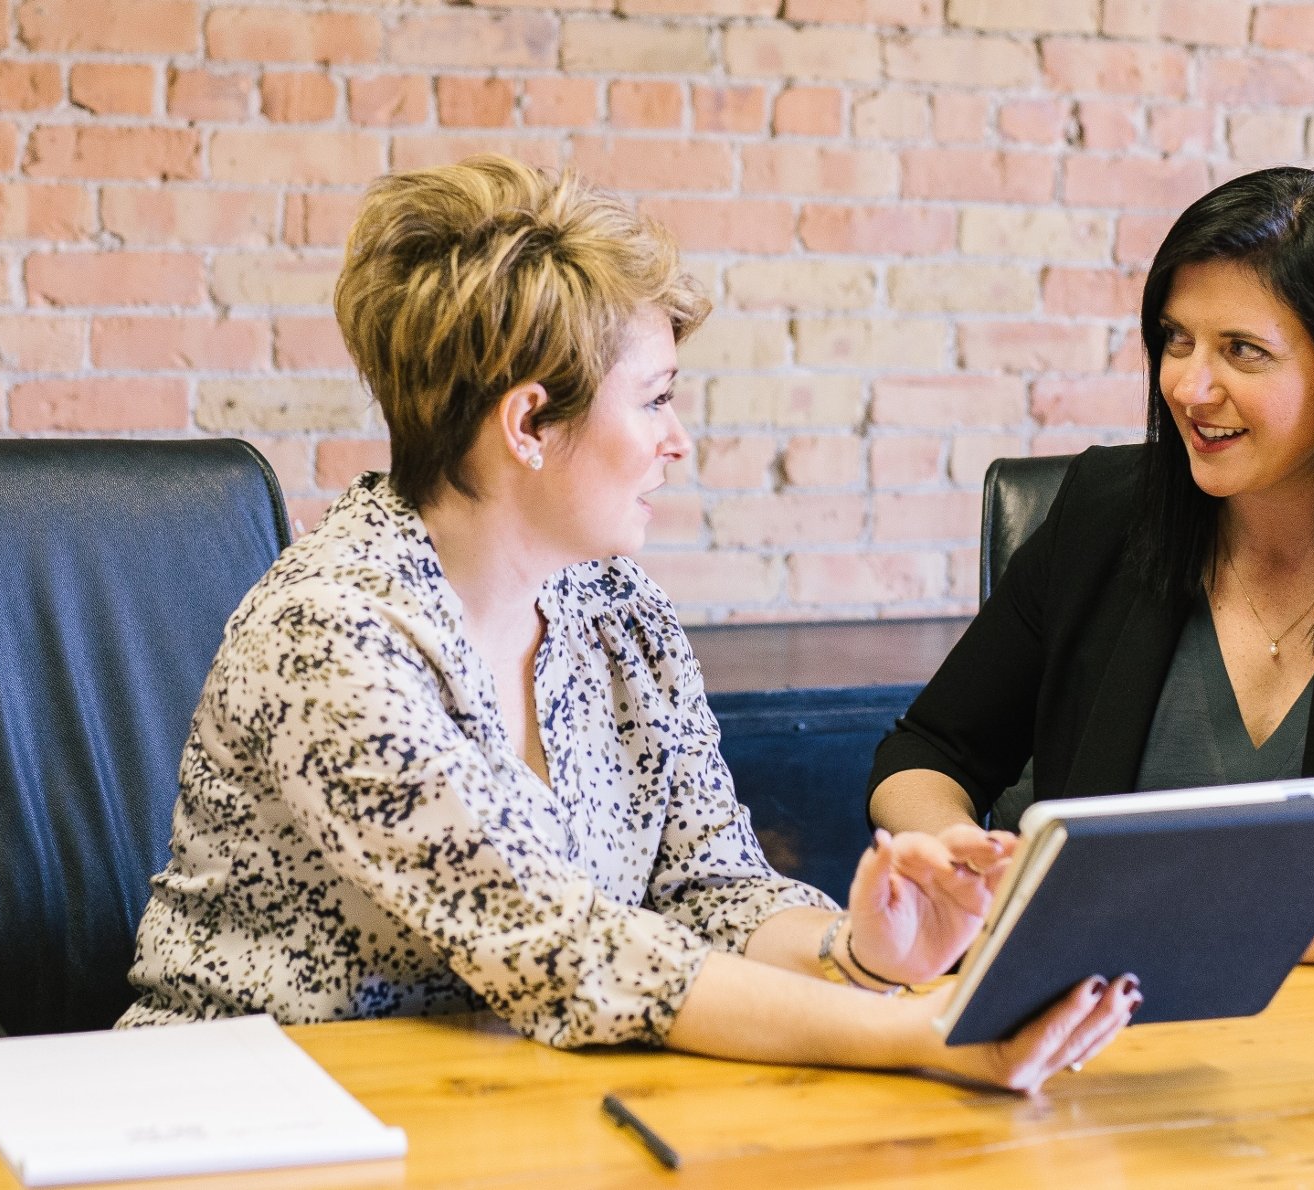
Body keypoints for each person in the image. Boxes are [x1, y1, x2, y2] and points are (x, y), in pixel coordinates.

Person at [120, 156, 1135, 1090]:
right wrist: (921, 1033)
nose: (677, 441)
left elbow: (709, 886)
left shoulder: (615, 608)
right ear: (528, 423)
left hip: (507, 1100)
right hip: (246, 1112)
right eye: (654, 399)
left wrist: (861, 952)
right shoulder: (331, 635)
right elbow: (566, 947)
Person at [867, 167, 1314, 976]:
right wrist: (953, 858)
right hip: (1095, 1028)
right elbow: (927, 750)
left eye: (1242, 351)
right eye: (1177, 340)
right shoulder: (1106, 514)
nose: (1188, 385)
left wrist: (1170, 916)